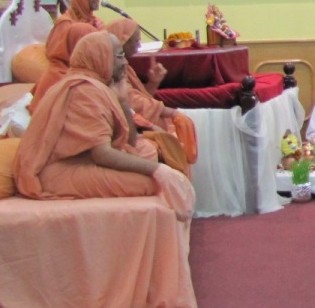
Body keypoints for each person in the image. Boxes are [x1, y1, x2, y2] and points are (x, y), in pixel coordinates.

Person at [14, 31, 191, 214]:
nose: (125, 62)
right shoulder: (84, 90)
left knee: (147, 152)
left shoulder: (98, 84)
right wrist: (159, 171)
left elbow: (129, 140)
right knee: (153, 183)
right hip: (59, 170)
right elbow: (102, 154)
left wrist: (122, 101)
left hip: (86, 160)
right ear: (100, 57)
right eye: (119, 56)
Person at [104, 18, 198, 176]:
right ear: (122, 41)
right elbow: (131, 103)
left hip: (132, 131)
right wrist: (169, 113)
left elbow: (135, 103)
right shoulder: (107, 70)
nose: (139, 46)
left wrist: (153, 83)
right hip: (119, 140)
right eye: (136, 41)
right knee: (159, 148)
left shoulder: (123, 66)